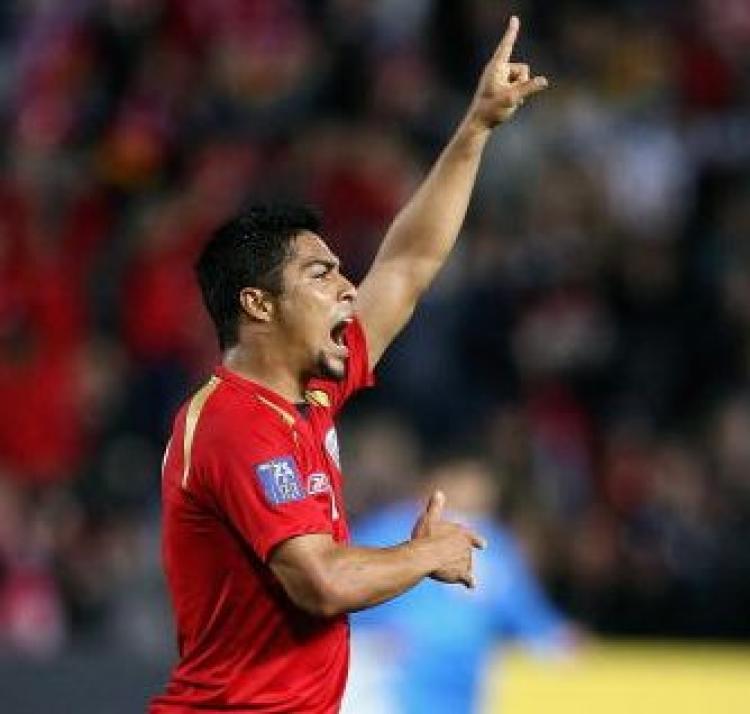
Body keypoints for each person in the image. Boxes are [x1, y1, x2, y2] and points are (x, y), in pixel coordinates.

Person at [150, 16, 548, 714]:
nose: (348, 288)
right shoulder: (234, 424)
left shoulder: (309, 397)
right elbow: (322, 582)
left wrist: (476, 128)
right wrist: (426, 555)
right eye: (321, 273)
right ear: (259, 304)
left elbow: (410, 263)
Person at [343, 457, 578, 714]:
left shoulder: (492, 542)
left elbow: (533, 619)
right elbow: (341, 594)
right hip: (387, 690)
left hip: (464, 691)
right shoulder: (384, 529)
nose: (475, 491)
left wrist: (559, 638)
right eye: (465, 480)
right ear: (436, 481)